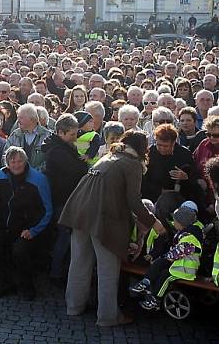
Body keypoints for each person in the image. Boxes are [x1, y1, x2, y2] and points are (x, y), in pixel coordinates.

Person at [61, 131, 166, 327]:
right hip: (103, 219)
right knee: (108, 268)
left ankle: (74, 307)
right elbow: (134, 201)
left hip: (79, 213)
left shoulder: (109, 157)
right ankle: (108, 317)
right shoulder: (132, 164)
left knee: (79, 263)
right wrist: (155, 223)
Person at [0, 146, 52, 300]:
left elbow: (47, 210)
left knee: (20, 250)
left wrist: (33, 230)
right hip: (5, 227)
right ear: (7, 163)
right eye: (12, 161)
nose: (16, 165)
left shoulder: (38, 179)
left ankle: (26, 286)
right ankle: (5, 282)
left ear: (25, 161)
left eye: (20, 161)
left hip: (28, 229)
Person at [129, 203, 204, 311]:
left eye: (175, 221)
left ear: (181, 223)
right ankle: (146, 282)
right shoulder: (184, 233)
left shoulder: (190, 237)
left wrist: (167, 256)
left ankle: (155, 300)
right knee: (159, 262)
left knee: (165, 277)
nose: (173, 223)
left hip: (184, 269)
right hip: (178, 264)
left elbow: (179, 251)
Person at [42, 113, 88, 286]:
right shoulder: (57, 151)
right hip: (63, 200)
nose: (75, 138)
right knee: (64, 235)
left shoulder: (63, 146)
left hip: (66, 198)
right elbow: (78, 170)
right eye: (72, 135)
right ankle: (56, 273)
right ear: (61, 133)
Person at [143, 124, 205, 213]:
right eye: (159, 145)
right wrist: (159, 190)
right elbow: (144, 179)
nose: (161, 149)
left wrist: (186, 177)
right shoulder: (150, 153)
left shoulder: (184, 154)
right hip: (154, 197)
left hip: (181, 197)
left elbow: (196, 180)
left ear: (173, 143)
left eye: (166, 146)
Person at [4, 103, 51, 169]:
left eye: (21, 118)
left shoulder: (47, 136)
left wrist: (35, 174)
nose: (18, 121)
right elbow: (5, 156)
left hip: (38, 177)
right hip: (16, 176)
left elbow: (49, 160)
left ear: (32, 119)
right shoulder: (15, 135)